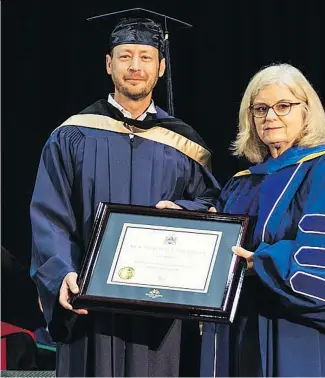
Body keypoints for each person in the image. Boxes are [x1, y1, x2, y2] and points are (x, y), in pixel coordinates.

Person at [30, 14, 220, 377]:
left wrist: (181, 211)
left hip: (161, 313)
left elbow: (212, 207)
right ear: (108, 64)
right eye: (125, 56)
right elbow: (49, 216)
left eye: (146, 57)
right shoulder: (73, 136)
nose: (135, 66)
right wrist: (62, 275)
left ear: (161, 67)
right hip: (92, 308)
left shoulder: (184, 144)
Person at [200, 63, 325, 376]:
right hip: (242, 333)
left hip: (304, 336)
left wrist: (264, 261)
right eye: (260, 108)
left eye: (284, 106)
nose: (270, 117)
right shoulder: (241, 183)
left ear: (306, 111)